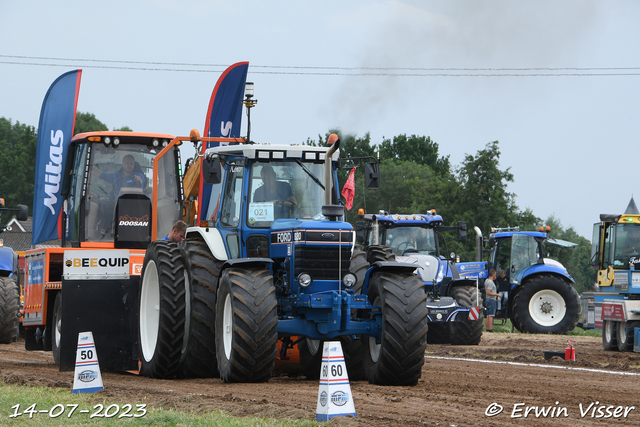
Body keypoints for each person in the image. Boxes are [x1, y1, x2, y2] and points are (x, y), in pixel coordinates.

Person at [93, 154, 146, 234]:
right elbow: (101, 175)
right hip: (117, 203)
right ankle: (103, 229)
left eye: (131, 163)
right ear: (123, 164)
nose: (129, 165)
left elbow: (141, 181)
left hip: (135, 204)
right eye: (127, 163)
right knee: (101, 204)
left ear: (134, 164)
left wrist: (138, 181)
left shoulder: (139, 175)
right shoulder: (115, 176)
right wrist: (88, 168)